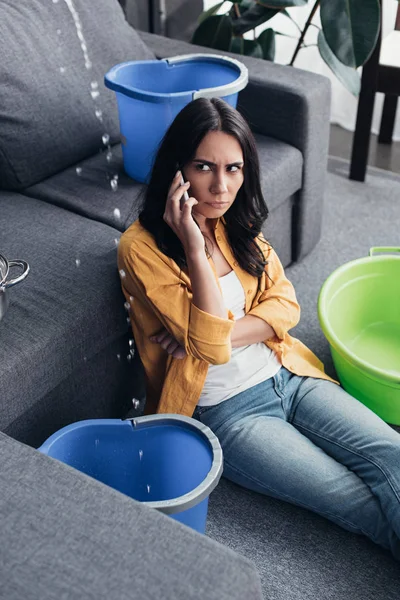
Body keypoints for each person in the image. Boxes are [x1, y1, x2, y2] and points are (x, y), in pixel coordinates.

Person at [118, 97, 400, 560]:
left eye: (234, 168)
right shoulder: (140, 248)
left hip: (288, 373)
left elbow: (286, 304)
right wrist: (193, 245)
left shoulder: (236, 220)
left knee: (391, 453)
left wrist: (211, 337)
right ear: (177, 170)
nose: (221, 186)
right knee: (353, 498)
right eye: (204, 167)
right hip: (231, 415)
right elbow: (211, 345)